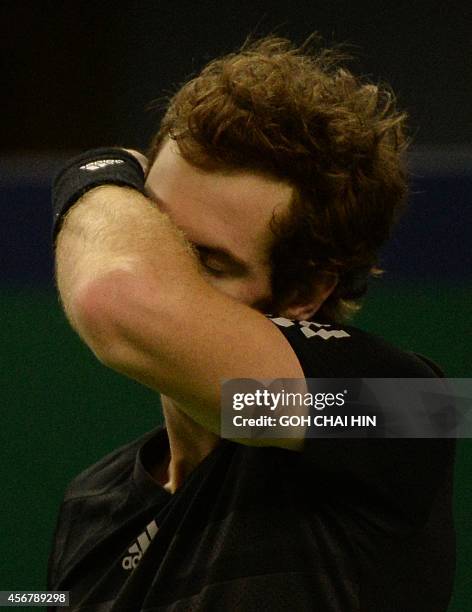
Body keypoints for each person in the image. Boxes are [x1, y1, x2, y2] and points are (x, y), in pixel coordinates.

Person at [48, 37, 455, 611]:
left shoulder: (407, 410)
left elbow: (115, 299)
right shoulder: (89, 501)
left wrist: (93, 173)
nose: (166, 279)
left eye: (208, 264)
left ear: (306, 293)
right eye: (155, 237)